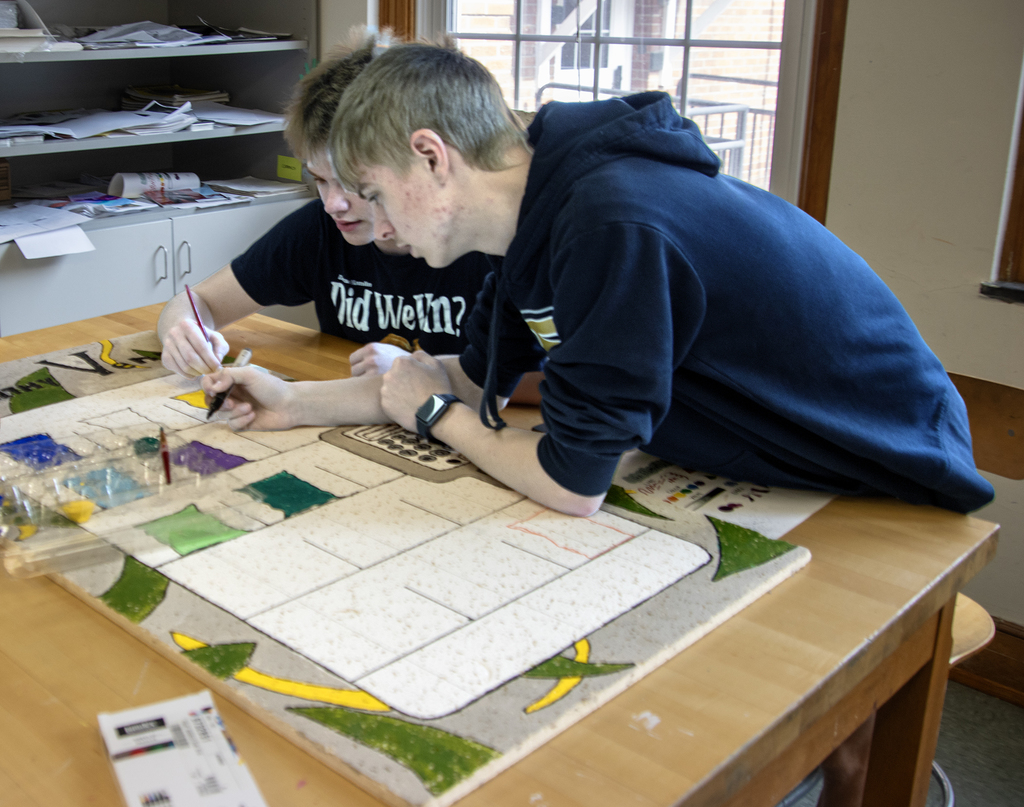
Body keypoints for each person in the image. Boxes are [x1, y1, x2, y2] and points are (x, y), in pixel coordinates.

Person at [204, 40, 993, 522]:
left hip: (881, 461)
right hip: (763, 459)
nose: (375, 228)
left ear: (432, 156)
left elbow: (571, 480)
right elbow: (466, 375)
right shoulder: (532, 218)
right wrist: (294, 402)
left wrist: (437, 414)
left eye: (374, 192)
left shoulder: (609, 222)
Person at [157, 31, 530, 398]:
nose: (333, 203)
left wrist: (422, 371)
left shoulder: (484, 234)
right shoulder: (321, 229)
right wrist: (185, 331)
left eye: (355, 185)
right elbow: (196, 301)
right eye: (319, 180)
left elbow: (550, 384)